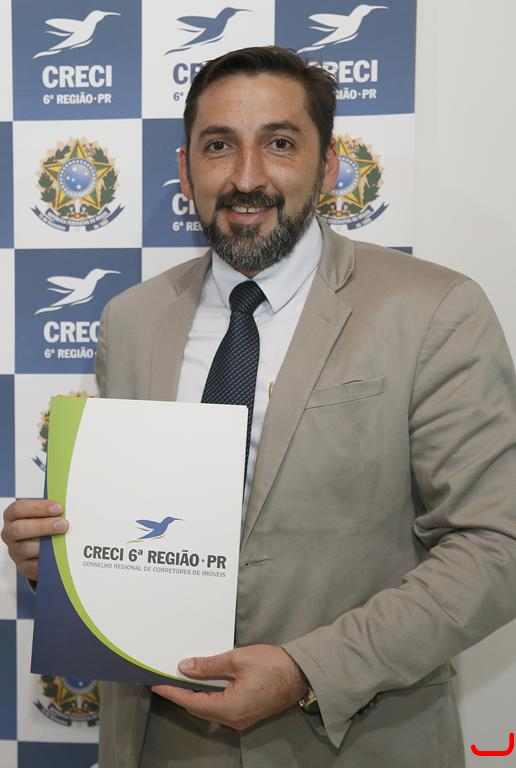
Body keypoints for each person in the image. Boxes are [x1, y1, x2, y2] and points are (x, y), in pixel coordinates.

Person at [3, 46, 516, 768]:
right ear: (186, 170)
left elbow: (496, 544)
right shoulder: (132, 319)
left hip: (352, 741)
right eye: (219, 146)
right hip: (157, 740)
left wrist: (308, 670)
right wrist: (57, 558)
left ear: (328, 166)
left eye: (279, 143)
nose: (247, 177)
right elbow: (142, 526)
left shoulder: (434, 309)